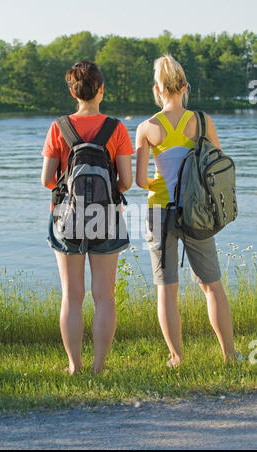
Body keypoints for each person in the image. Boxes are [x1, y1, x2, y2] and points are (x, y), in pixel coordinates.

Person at [136, 54, 243, 368]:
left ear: (157, 89)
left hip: (160, 213)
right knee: (212, 286)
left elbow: (141, 180)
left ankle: (177, 358)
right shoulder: (202, 120)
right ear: (184, 87)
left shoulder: (147, 127)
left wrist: (161, 181)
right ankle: (230, 355)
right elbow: (217, 165)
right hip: (197, 212)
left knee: (166, 289)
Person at [41, 61, 133, 375]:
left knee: (72, 295)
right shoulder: (116, 128)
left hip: (66, 219)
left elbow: (46, 179)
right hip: (106, 217)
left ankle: (73, 366)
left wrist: (71, 196)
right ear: (101, 90)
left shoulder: (59, 127)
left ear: (72, 92)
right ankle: (98, 368)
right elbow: (126, 181)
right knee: (104, 296)